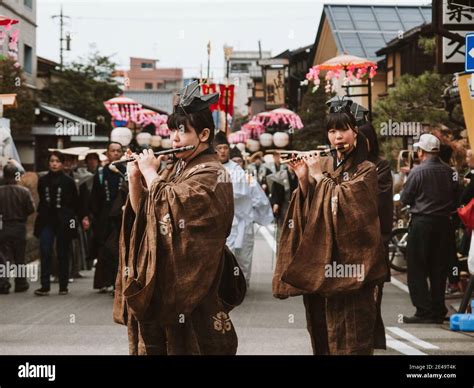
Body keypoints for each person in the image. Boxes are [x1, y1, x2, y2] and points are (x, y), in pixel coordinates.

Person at [113, 81, 241, 355]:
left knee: (192, 345)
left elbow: (173, 203)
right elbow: (146, 212)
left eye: (182, 132)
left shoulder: (212, 173)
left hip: (193, 282)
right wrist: (136, 178)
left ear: (204, 134)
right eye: (172, 132)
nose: (174, 140)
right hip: (165, 278)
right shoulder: (176, 169)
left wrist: (151, 174)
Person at [272, 103, 388, 355]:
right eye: (332, 131)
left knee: (351, 330)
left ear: (356, 132)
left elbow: (352, 206)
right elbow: (312, 209)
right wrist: (304, 180)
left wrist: (319, 177)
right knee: (321, 327)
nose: (337, 137)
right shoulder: (325, 163)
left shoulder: (367, 169)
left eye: (343, 130)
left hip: (352, 262)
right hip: (321, 261)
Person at [401, 134, 457, 323]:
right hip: (444, 224)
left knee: (417, 267)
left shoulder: (417, 172)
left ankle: (423, 311)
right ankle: (438, 310)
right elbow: (457, 198)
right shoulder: (450, 171)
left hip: (422, 223)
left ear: (421, 152)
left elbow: (406, 198)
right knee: (439, 268)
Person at [215, 131, 272, 287]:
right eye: (219, 148)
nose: (222, 151)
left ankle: (240, 286)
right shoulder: (208, 168)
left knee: (242, 256)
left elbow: (254, 194)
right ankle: (222, 287)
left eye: (225, 147)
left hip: (240, 221)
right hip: (219, 223)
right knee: (220, 257)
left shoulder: (239, 171)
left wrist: (260, 214)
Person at [358, 122, 393, 350]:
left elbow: (379, 200)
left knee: (373, 286)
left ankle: (373, 337)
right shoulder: (349, 163)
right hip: (354, 236)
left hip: (376, 234)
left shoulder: (380, 165)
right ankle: (361, 337)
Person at [34, 151, 79, 296]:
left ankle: (63, 285)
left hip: (63, 221)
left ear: (62, 164)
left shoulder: (68, 182)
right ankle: (45, 285)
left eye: (57, 161)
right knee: (45, 250)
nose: (54, 164)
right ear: (48, 163)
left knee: (62, 253)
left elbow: (74, 204)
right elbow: (41, 199)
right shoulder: (43, 180)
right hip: (46, 220)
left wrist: (72, 221)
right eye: (52, 161)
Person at [88, 142, 127, 293]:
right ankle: (105, 281)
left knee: (117, 248)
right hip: (104, 216)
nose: (116, 153)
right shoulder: (101, 173)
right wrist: (93, 216)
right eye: (113, 151)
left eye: (118, 151)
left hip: (121, 215)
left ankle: (118, 283)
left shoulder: (125, 171)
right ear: (107, 153)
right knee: (104, 248)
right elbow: (95, 197)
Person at [0, 161, 35, 294]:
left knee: (5, 257)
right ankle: (20, 283)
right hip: (19, 226)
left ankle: (3, 282)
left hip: (4, 226)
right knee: (20, 257)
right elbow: (31, 209)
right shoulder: (24, 192)